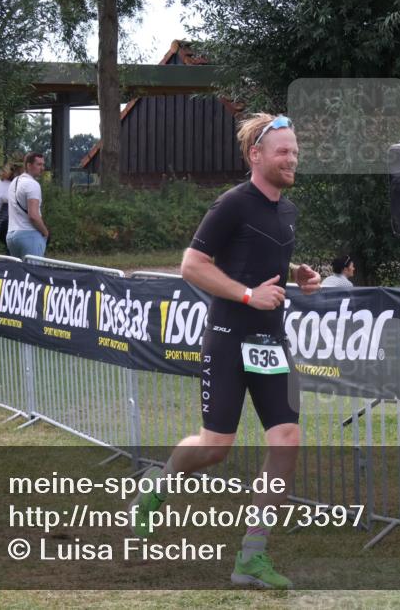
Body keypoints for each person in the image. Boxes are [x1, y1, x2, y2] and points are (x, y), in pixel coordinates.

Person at [131, 113, 321, 589]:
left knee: (287, 440)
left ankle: (251, 557)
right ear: (256, 156)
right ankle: (160, 482)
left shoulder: (287, 210)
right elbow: (192, 265)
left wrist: (297, 271)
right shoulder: (232, 203)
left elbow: (262, 255)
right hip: (229, 338)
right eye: (283, 150)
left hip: (271, 342)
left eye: (295, 150)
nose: (292, 157)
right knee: (216, 447)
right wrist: (245, 295)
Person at [6, 151, 49, 258]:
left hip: (11, 235)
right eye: (38, 164)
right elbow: (33, 216)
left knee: (18, 273)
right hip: (29, 234)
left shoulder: (14, 182)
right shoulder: (32, 184)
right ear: (29, 165)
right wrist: (45, 232)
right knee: (34, 273)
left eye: (43, 164)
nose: (42, 168)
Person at [0, 156, 23, 245]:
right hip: (17, 219)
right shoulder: (21, 182)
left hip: (2, 219)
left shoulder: (1, 182)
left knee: (10, 248)